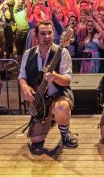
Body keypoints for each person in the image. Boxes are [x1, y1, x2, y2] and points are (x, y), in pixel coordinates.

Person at [18, 20, 78, 154]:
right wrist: (26, 89)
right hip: (39, 100)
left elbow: (67, 81)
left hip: (58, 94)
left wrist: (55, 76)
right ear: (36, 35)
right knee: (36, 140)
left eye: (50, 33)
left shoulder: (62, 53)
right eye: (43, 33)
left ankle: (65, 133)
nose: (47, 37)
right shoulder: (28, 54)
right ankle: (48, 119)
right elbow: (22, 76)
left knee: (61, 108)